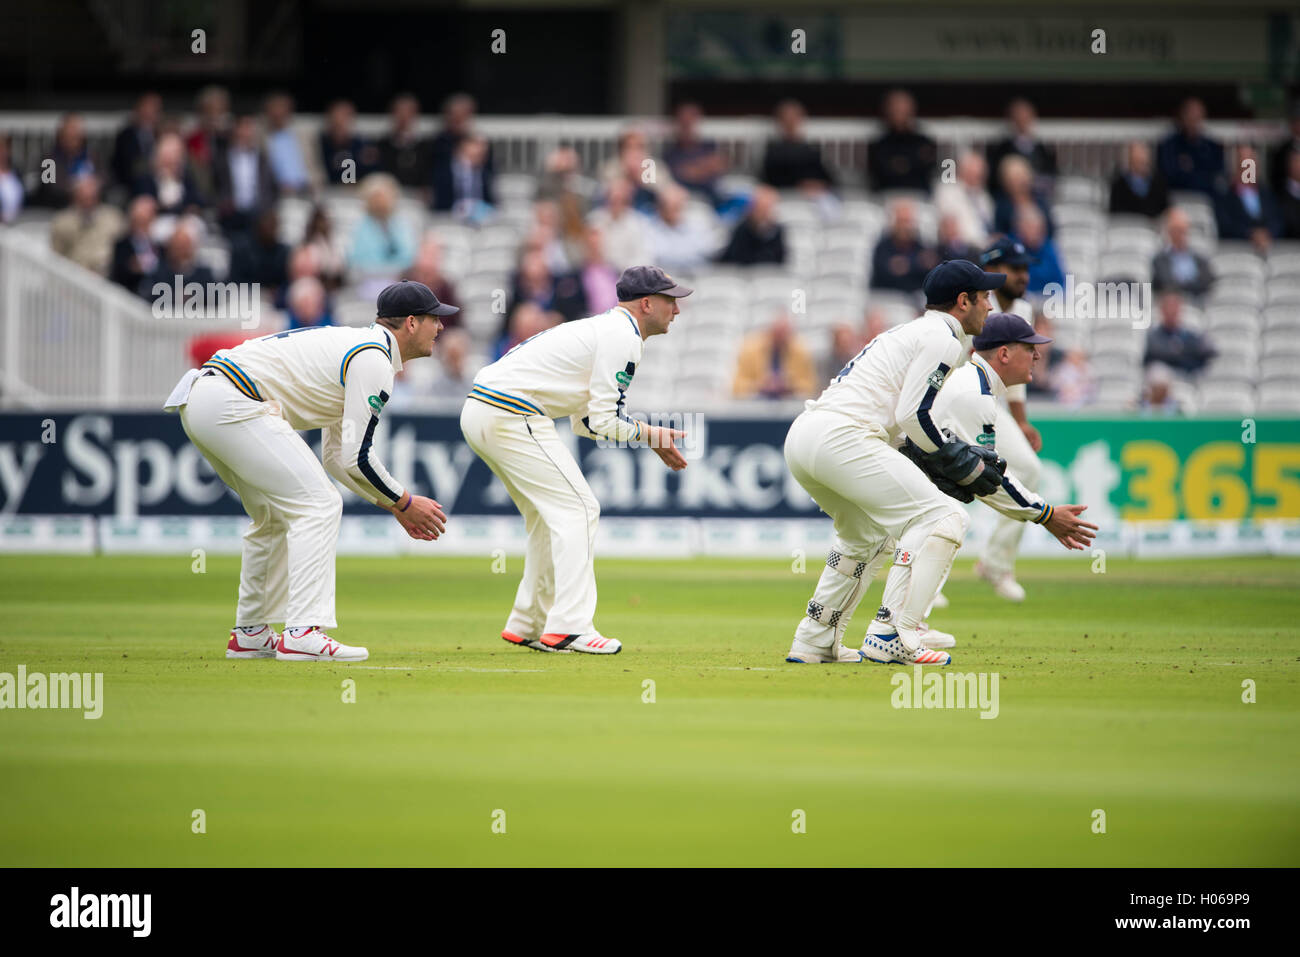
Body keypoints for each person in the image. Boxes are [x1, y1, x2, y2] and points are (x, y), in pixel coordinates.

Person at [163, 281, 456, 662]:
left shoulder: (361, 350)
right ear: (412, 323)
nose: (442, 327)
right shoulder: (374, 359)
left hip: (205, 400)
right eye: (435, 318)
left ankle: (250, 632)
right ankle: (302, 631)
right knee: (319, 504)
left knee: (273, 517)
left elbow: (337, 457)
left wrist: (396, 507)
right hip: (232, 399)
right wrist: (404, 503)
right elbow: (356, 457)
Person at [782, 260, 1007, 666]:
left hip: (806, 435)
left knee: (865, 537)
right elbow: (911, 415)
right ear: (963, 301)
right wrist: (951, 457)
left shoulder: (911, 330)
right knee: (943, 517)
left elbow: (902, 421)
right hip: (842, 436)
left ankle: (815, 638)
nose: (990, 307)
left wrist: (932, 453)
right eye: (985, 297)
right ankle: (893, 632)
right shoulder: (943, 339)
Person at [460, 266, 691, 656]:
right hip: (510, 411)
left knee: (546, 518)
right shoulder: (623, 336)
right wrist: (650, 434)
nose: (677, 311)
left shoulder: (606, 330)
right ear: (647, 304)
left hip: (483, 410)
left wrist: (647, 434)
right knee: (580, 508)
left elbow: (585, 424)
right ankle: (570, 627)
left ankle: (527, 622)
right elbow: (602, 421)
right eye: (671, 302)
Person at [927, 313, 1096, 615]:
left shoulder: (978, 388)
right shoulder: (973, 395)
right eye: (1029, 349)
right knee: (942, 517)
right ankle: (898, 629)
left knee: (925, 520)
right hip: (876, 462)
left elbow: (984, 477)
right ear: (1004, 354)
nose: (1038, 355)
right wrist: (1045, 515)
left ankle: (893, 628)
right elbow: (986, 480)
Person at [971, 237, 1042, 602]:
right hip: (959, 403)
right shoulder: (973, 303)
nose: (1023, 276)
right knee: (941, 484)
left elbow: (1016, 377)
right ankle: (917, 570)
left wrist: (1023, 421)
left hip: (993, 407)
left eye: (1026, 269)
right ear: (994, 270)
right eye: (1016, 269)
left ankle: (996, 564)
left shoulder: (1024, 311)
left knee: (1028, 470)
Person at [212, 115, 276, 236]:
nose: (246, 133)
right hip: (231, 213)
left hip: (258, 212)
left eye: (249, 129)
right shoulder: (222, 158)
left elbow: (272, 188)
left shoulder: (263, 159)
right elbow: (215, 186)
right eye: (243, 128)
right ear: (235, 130)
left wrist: (267, 207)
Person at [49, 174, 123, 276]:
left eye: (92, 198)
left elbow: (122, 250)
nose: (88, 203)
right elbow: (56, 256)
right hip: (75, 277)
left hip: (108, 277)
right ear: (75, 198)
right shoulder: (62, 222)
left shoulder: (113, 217)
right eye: (83, 198)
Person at [732, 312, 817, 399]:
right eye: (778, 333)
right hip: (757, 404)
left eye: (785, 334)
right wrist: (760, 385)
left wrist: (789, 386)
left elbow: (809, 387)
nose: (781, 338)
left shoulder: (800, 351)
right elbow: (737, 387)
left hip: (789, 403)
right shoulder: (750, 349)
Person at [867, 89, 937, 194]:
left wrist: (900, 165)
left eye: (903, 109)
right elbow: (881, 172)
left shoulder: (925, 143)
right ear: (887, 111)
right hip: (885, 198)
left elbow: (927, 170)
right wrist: (911, 162)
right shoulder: (878, 145)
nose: (899, 113)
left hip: (920, 198)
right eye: (895, 109)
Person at [1214, 144, 1283, 250]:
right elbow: (1225, 225)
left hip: (1270, 247)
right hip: (1238, 251)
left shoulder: (1267, 194)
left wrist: (1268, 233)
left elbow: (1278, 220)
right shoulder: (1225, 195)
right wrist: (1250, 234)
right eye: (1244, 164)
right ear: (1236, 166)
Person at [348, 173, 417, 276]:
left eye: (383, 198)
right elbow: (356, 258)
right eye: (376, 198)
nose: (380, 203)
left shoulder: (402, 224)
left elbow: (408, 256)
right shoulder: (359, 226)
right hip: (368, 279)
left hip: (398, 278)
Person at [985, 98, 1057, 195]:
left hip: (1037, 198)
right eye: (1018, 116)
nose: (1022, 120)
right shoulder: (1000, 150)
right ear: (1012, 119)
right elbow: (994, 179)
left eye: (1026, 116)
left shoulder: (1043, 150)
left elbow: (1052, 176)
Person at [760, 100, 833, 194]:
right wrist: (800, 185)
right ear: (780, 121)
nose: (790, 122)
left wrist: (817, 184)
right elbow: (768, 181)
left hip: (812, 197)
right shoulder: (773, 152)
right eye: (786, 119)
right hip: (784, 197)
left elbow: (828, 179)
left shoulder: (811, 150)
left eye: (794, 118)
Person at [1156, 97, 1225, 196]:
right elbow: (1169, 177)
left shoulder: (1213, 147)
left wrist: (1189, 172)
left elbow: (1216, 177)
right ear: (1182, 117)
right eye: (1189, 115)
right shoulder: (1169, 146)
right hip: (1177, 198)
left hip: (1206, 198)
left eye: (1197, 117)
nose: (1193, 121)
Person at [869, 199, 939, 294]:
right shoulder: (882, 247)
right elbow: (886, 272)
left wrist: (906, 265)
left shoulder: (922, 246)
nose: (905, 227)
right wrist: (917, 263)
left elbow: (929, 269)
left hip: (916, 297)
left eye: (908, 221)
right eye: (901, 221)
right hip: (888, 296)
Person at [665, 102, 728, 207]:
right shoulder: (671, 152)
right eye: (683, 123)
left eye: (691, 121)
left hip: (713, 198)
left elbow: (720, 165)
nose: (687, 126)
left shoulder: (709, 145)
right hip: (686, 202)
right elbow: (681, 174)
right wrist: (705, 167)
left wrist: (695, 169)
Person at [1144, 293, 1216, 375]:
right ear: (1162, 311)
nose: (1171, 312)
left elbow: (1208, 354)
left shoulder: (1192, 335)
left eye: (1174, 309)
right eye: (1167, 308)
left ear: (1179, 310)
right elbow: (1149, 361)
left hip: (1189, 376)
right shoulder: (1153, 337)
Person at [933, 150, 994, 247]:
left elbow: (988, 225)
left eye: (981, 172)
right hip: (963, 248)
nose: (978, 175)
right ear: (963, 170)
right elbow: (950, 230)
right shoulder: (947, 191)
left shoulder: (983, 196)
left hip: (986, 246)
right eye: (973, 171)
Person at [1151, 207, 1214, 298]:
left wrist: (1183, 286)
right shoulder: (1159, 260)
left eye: (1183, 231)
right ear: (1169, 232)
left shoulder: (1200, 259)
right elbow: (1166, 283)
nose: (1181, 235)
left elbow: (1206, 282)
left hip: (1197, 302)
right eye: (1176, 231)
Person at [717, 185, 786, 266]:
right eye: (760, 208)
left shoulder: (777, 231)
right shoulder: (741, 229)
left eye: (767, 208)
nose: (763, 213)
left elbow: (779, 259)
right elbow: (736, 258)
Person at [377, 93, 431, 193]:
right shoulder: (382, 145)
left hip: (416, 198)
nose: (403, 116)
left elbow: (427, 174)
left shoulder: (425, 147)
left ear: (415, 115)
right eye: (399, 112)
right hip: (388, 195)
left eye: (408, 112)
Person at [262, 92, 311, 195]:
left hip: (306, 189)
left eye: (282, 109)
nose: (278, 113)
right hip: (277, 191)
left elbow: (314, 164)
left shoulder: (302, 135)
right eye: (274, 110)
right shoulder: (262, 138)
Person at [111, 92, 162, 190]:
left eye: (156, 109)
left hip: (158, 185)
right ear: (139, 109)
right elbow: (128, 166)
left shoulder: (161, 135)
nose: (151, 112)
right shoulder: (126, 136)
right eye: (148, 107)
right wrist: (154, 164)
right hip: (132, 186)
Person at [111, 195, 161, 292]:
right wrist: (132, 268)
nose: (142, 228)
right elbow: (118, 273)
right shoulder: (122, 245)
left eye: (145, 222)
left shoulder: (159, 247)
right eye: (139, 221)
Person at [1108, 141, 1170, 218]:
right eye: (1137, 161)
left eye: (1143, 161)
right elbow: (1115, 212)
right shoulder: (1119, 184)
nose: (1141, 163)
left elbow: (1165, 209)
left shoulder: (1158, 182)